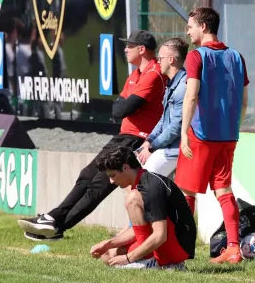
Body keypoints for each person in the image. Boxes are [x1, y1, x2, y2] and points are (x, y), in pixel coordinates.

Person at [18, 30, 166, 241]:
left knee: (99, 185)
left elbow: (124, 107)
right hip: (122, 135)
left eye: (129, 46)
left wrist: (124, 106)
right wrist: (124, 106)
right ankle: (54, 218)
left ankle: (57, 225)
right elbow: (117, 109)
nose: (125, 49)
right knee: (87, 174)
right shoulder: (135, 74)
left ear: (141, 49)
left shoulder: (154, 73)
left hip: (136, 139)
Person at [176, 7, 249, 264]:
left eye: (190, 26)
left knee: (186, 191)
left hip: (201, 134)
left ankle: (181, 249)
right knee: (223, 189)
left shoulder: (197, 56)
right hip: (228, 135)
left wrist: (184, 132)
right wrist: (233, 127)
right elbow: (243, 102)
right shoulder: (237, 57)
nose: (188, 31)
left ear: (203, 27)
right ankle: (233, 248)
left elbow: (191, 95)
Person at [90, 146, 196, 269]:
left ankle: (150, 262)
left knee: (132, 198)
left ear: (125, 167)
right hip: (167, 239)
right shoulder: (141, 183)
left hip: (177, 246)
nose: (111, 181)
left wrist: (128, 258)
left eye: (113, 175)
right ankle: (157, 262)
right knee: (108, 254)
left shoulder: (150, 187)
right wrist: (108, 244)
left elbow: (160, 235)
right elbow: (139, 230)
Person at [136, 38, 188, 177]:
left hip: (176, 150)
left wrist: (152, 148)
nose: (158, 62)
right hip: (166, 146)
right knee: (131, 169)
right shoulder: (172, 83)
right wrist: (149, 140)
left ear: (171, 60)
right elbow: (163, 119)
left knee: (143, 179)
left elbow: (176, 127)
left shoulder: (183, 87)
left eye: (160, 58)